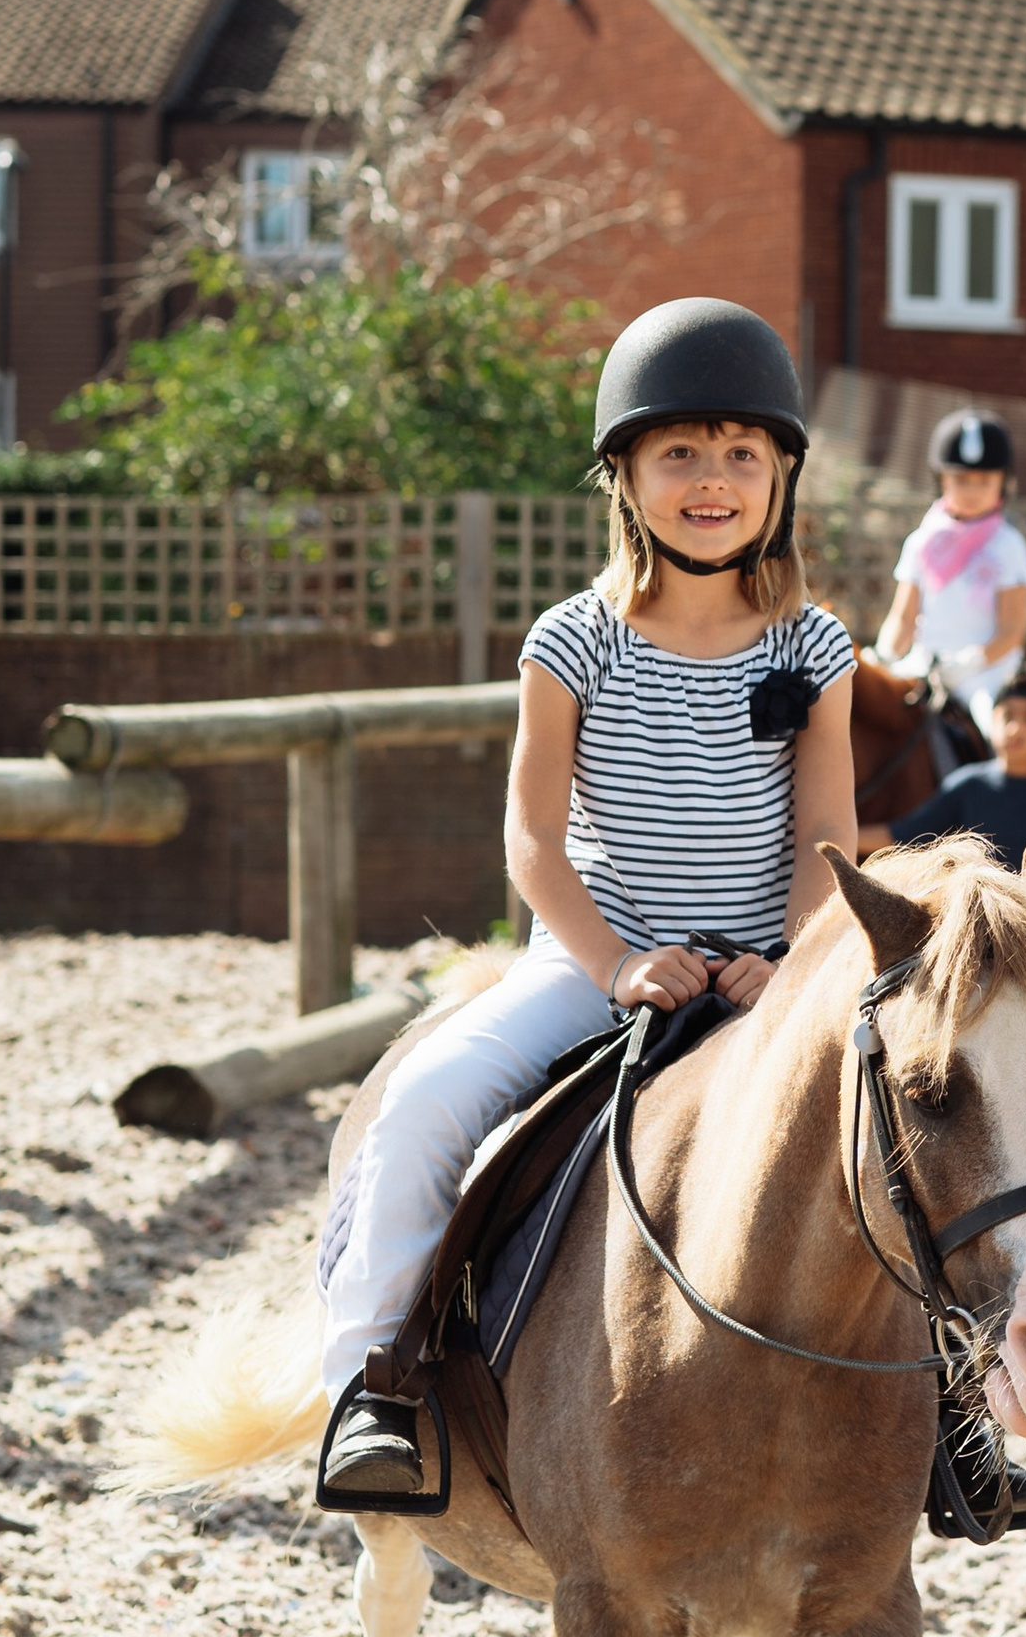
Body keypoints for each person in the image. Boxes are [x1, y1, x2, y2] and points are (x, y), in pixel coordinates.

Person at [315, 296, 858, 1504]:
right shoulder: (575, 640)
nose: (711, 479)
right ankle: (375, 1387)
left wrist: (801, 962)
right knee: (421, 1107)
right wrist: (616, 963)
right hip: (592, 960)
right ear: (624, 474)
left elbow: (827, 833)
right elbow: (530, 834)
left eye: (741, 454)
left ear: (779, 476)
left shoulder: (813, 648)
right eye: (680, 453)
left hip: (773, 971)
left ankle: (966, 1425)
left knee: (927, 1127)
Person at [873, 662, 1026, 920]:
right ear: (992, 720)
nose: (1015, 729)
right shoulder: (967, 787)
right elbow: (900, 836)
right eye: (1008, 716)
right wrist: (833, 833)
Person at [875, 411, 1026, 722]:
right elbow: (902, 617)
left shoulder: (1009, 545)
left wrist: (970, 662)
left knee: (992, 728)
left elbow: (1013, 631)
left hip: (985, 673)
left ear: (1003, 482)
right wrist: (884, 656)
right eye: (962, 480)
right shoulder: (921, 541)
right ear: (942, 479)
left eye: (985, 481)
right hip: (925, 664)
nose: (972, 491)